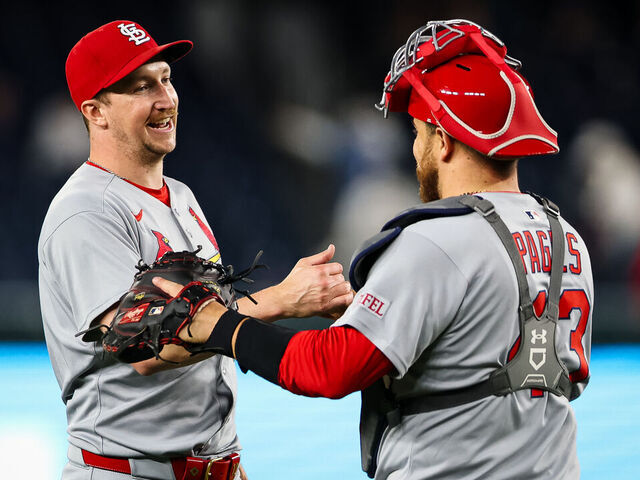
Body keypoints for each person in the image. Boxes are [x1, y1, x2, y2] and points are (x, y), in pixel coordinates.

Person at [153, 20, 594, 479]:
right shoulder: (567, 237)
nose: (416, 148)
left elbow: (327, 369)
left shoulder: (437, 242)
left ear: (442, 140)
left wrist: (217, 323)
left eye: (419, 134)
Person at [38, 20, 353, 480]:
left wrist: (226, 460)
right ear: (96, 111)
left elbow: (210, 315)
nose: (165, 99)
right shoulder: (86, 210)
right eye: (141, 87)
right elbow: (141, 347)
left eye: (165, 78)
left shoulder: (180, 195)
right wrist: (281, 299)